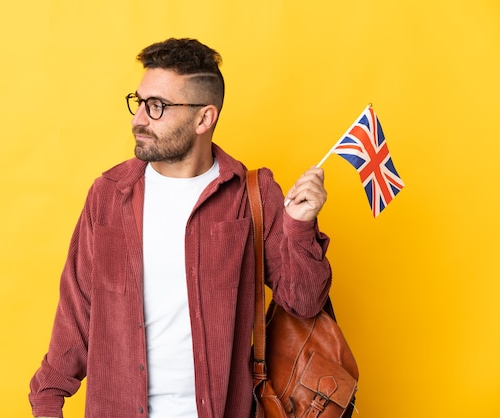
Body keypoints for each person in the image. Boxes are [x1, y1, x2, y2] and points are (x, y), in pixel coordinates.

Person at [29, 37, 331, 418]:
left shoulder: (250, 196)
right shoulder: (109, 195)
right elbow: (77, 311)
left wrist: (300, 228)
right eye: (139, 103)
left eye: (157, 107)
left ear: (204, 118)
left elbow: (304, 302)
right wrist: (47, 402)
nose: (139, 119)